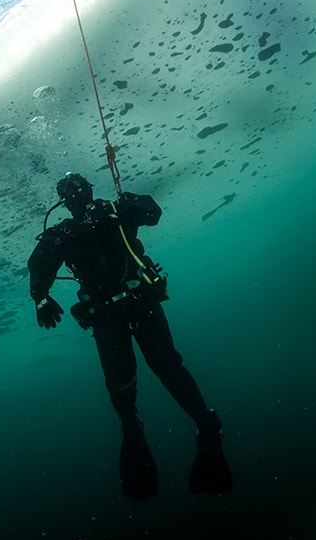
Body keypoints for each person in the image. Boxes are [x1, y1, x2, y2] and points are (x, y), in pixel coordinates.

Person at [27, 172, 232, 500]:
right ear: (62, 201)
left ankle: (205, 425)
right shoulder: (62, 234)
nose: (75, 192)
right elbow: (39, 265)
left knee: (167, 366)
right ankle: (132, 430)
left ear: (91, 188)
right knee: (121, 385)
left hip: (142, 303)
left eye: (78, 186)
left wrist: (129, 207)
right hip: (106, 317)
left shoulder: (116, 208)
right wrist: (39, 296)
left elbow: (152, 212)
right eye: (67, 190)